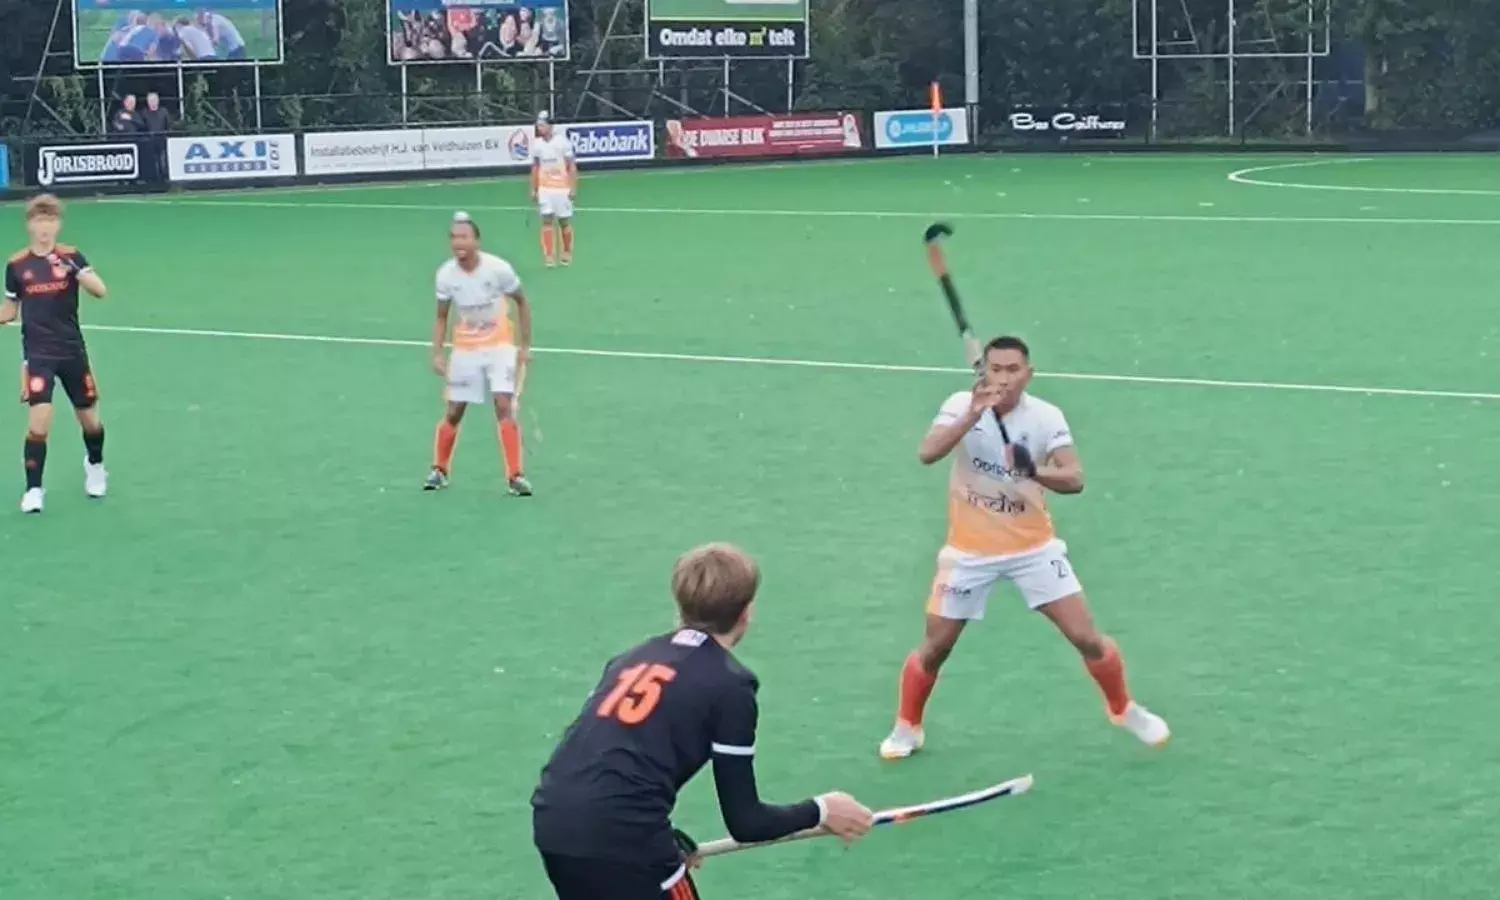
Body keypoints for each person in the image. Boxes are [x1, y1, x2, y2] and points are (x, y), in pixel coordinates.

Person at [879, 335, 1170, 759]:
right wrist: (971, 415)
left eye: (1013, 370)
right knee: (936, 646)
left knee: (1086, 637)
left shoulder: (1046, 417)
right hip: (968, 551)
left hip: (1033, 548)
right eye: (996, 369)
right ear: (984, 371)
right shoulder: (960, 404)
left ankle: (1123, 709)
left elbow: (1074, 478)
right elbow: (927, 453)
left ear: (1028, 374)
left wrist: (1033, 470)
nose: (1003, 378)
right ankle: (908, 726)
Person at [532, 543, 875, 899]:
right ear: (746, 613)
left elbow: (599, 758)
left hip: (554, 822)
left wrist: (663, 835)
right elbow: (746, 822)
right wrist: (822, 810)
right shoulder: (731, 686)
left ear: (680, 605)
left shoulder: (628, 660)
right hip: (624, 838)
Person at [0, 195, 110, 514]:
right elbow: (9, 309)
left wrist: (76, 271)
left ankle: (95, 465)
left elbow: (100, 291)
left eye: (50, 220)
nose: (45, 228)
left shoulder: (71, 256)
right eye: (39, 221)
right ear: (29, 225)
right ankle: (34, 489)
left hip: (72, 351)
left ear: (58, 224)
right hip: (38, 355)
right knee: (39, 424)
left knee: (90, 421)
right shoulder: (17, 265)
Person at [424, 212, 532, 496]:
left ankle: (515, 475)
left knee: (503, 404)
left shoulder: (498, 269)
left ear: (476, 241)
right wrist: (437, 352)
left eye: (464, 237)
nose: (458, 243)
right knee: (454, 410)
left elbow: (521, 302)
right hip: (466, 348)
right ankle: (439, 470)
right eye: (454, 238)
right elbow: (441, 316)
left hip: (499, 345)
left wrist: (525, 346)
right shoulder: (445, 275)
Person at [529, 112, 577, 267]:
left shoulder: (562, 142)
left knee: (564, 221)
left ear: (550, 126)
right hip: (545, 188)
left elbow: (571, 166)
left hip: (561, 188)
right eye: (538, 125)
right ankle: (549, 255)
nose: (539, 128)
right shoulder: (537, 144)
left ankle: (567, 251)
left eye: (542, 125)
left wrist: (573, 187)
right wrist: (534, 188)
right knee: (546, 220)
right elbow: (535, 167)